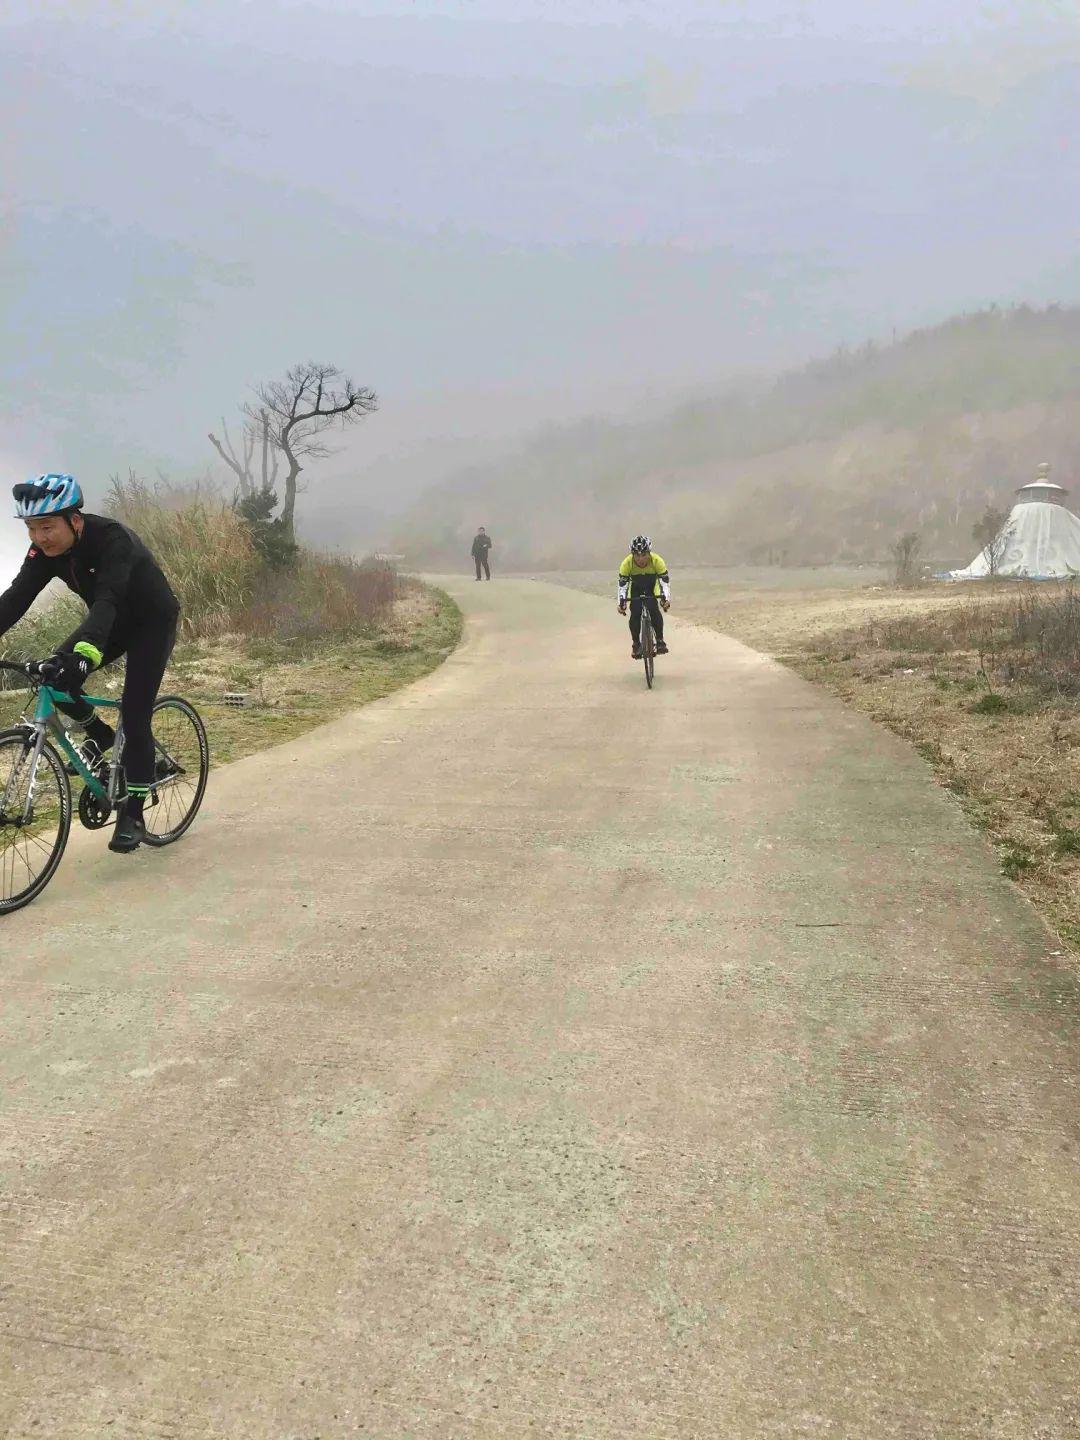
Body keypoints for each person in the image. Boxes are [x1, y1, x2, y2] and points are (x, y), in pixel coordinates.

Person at [0, 473, 181, 853]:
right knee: (54, 679)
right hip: (109, 623)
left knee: (134, 713)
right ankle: (102, 737)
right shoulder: (44, 553)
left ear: (75, 520)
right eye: (32, 528)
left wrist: (86, 653)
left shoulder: (113, 540)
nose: (40, 537)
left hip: (150, 622)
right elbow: (16, 599)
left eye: (47, 526)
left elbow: (108, 598)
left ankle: (133, 812)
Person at [618, 535, 671, 659]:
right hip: (636, 587)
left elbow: (664, 582)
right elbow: (623, 586)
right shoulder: (626, 563)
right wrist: (622, 603)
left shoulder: (657, 561)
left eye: (644, 555)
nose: (641, 559)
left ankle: (660, 641)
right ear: (632, 555)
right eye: (637, 555)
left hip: (651, 586)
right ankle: (636, 644)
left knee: (653, 609)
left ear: (649, 553)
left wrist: (665, 599)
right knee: (635, 612)